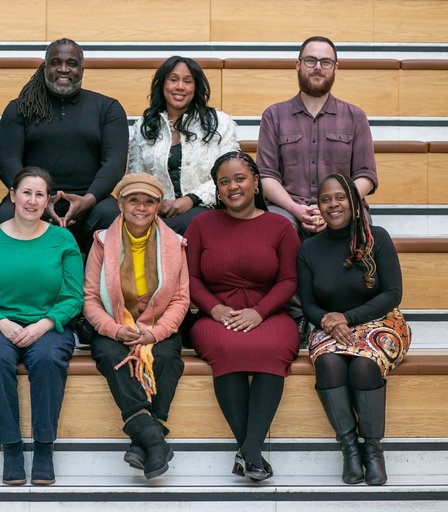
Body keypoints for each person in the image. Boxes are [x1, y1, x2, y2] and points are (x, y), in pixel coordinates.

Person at [185, 151, 300, 481]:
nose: (233, 186)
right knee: (228, 349)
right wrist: (214, 308)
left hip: (269, 312)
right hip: (215, 314)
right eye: (224, 182)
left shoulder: (280, 226)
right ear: (217, 190)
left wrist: (259, 313)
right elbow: (190, 278)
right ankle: (251, 453)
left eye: (239, 178)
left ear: (255, 182)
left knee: (271, 349)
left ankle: (248, 453)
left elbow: (289, 280)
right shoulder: (201, 223)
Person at [0, 167, 84, 486]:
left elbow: (74, 296)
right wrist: (2, 323)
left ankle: (44, 448)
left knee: (46, 360)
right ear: (12, 195)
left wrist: (44, 324)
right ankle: (12, 447)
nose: (32, 200)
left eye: (39, 194)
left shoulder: (62, 239)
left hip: (49, 324)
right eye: (26, 193)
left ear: (48, 201)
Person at [298, 173, 410, 486]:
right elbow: (307, 304)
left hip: (380, 320)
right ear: (318, 206)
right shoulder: (309, 249)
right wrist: (328, 321)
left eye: (340, 197)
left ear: (354, 202)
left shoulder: (379, 237)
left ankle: (372, 450)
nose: (333, 204)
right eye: (325, 199)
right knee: (330, 363)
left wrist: (346, 317)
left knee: (363, 365)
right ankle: (349, 449)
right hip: (330, 324)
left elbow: (392, 294)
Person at [83, 173, 189, 479]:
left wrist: (153, 333)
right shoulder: (103, 242)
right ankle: (154, 439)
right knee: (110, 355)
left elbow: (181, 300)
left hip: (158, 324)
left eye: (149, 201)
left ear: (158, 206)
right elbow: (90, 298)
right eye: (134, 200)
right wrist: (114, 330)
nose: (141, 207)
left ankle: (144, 440)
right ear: (120, 204)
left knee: (168, 358)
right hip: (115, 322)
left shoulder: (176, 244)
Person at [0, 38, 129, 250]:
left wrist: (88, 200)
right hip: (33, 199)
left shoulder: (108, 108)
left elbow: (114, 163)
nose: (63, 69)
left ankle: (100, 285)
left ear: (82, 69)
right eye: (56, 62)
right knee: (3, 219)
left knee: (112, 217)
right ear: (45, 67)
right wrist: (36, 199)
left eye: (72, 63)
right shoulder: (19, 108)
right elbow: (7, 163)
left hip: (91, 201)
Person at [257, 35, 377, 240]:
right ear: (298, 65)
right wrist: (297, 210)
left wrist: (332, 206)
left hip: (342, 206)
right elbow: (266, 175)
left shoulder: (355, 116)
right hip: (288, 208)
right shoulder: (273, 115)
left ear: (336, 67)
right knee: (275, 226)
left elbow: (366, 175)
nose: (318, 67)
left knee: (356, 224)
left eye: (326, 62)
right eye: (310, 60)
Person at [127, 56, 239, 235]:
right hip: (157, 210)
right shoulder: (145, 125)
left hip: (205, 207)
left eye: (187, 81)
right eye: (173, 80)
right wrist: (155, 202)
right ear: (163, 84)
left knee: (184, 225)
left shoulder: (219, 123)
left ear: (196, 87)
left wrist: (191, 199)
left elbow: (229, 175)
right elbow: (137, 177)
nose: (180, 86)